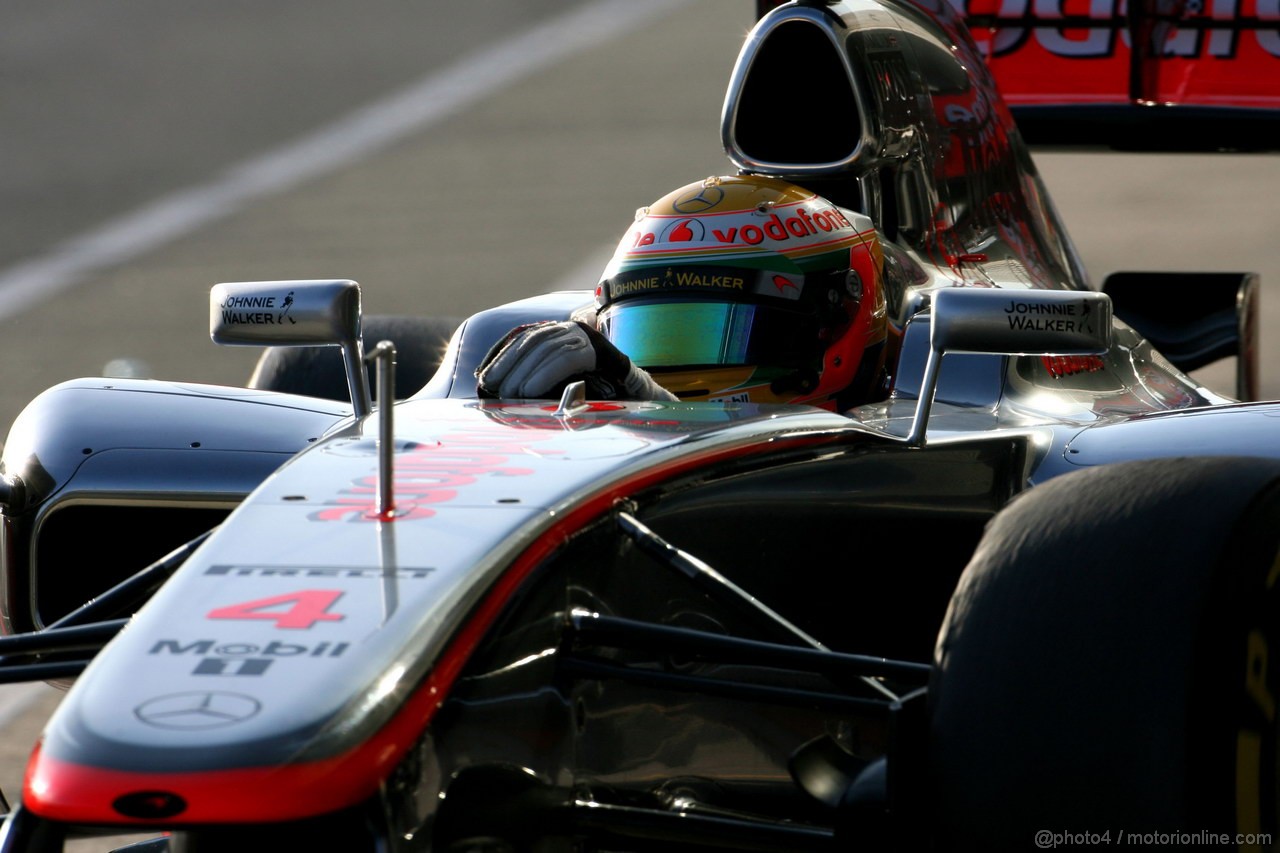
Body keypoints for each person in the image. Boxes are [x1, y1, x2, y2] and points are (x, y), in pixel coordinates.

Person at [477, 174, 890, 412]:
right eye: (647, 334)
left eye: (722, 332)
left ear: (838, 314)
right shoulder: (620, 379)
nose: (686, 371)